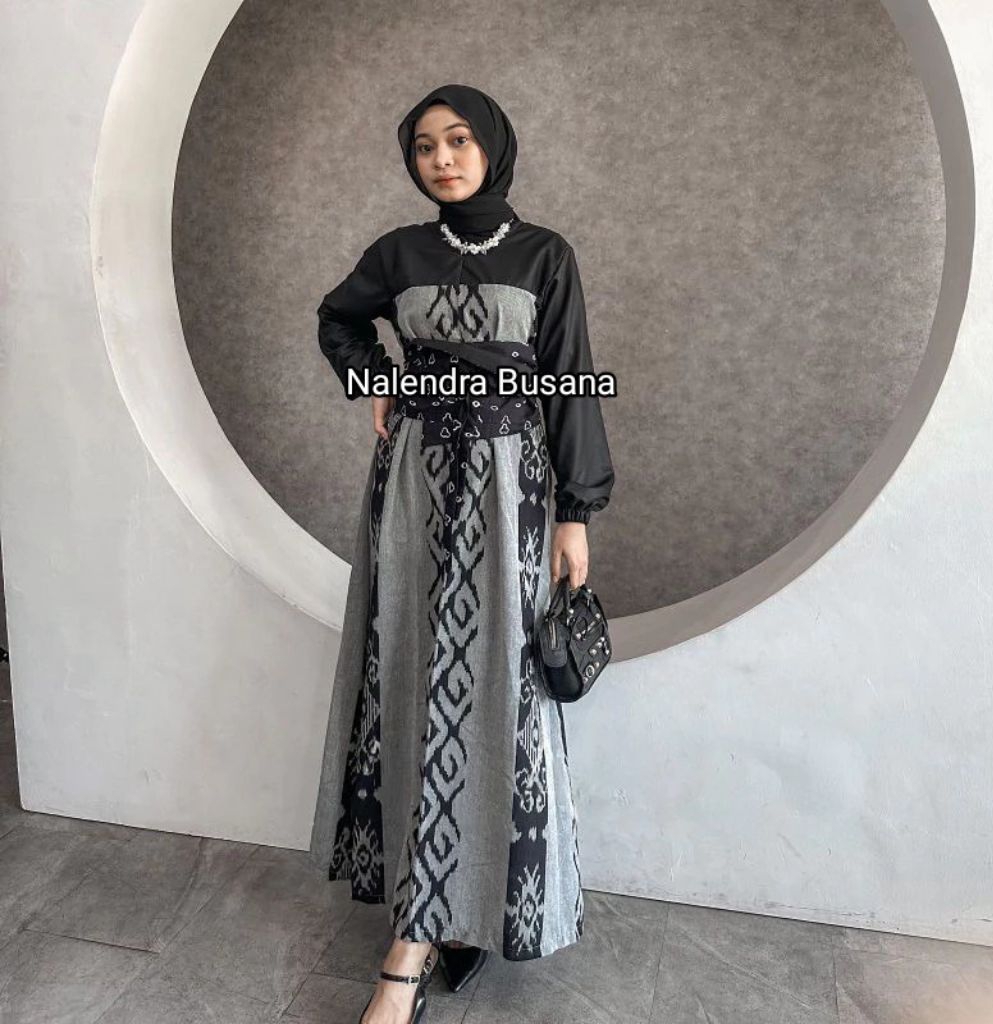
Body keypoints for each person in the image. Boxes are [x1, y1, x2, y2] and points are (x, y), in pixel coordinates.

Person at [307, 83, 615, 1024]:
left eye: (459, 140)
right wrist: (374, 376)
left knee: (495, 685)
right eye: (424, 146)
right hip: (413, 484)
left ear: (494, 147)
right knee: (410, 672)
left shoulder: (544, 254)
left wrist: (576, 513)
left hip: (513, 488)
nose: (441, 159)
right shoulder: (398, 253)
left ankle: (462, 907)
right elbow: (337, 318)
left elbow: (569, 381)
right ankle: (418, 925)